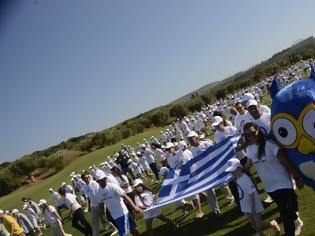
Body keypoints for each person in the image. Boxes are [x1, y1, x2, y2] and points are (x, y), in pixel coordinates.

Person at [243, 122, 304, 236]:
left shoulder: (270, 144)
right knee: (287, 210)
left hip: (283, 183)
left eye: (252, 133)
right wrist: (235, 171)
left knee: (284, 213)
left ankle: (289, 233)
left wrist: (297, 178)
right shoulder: (250, 149)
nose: (251, 136)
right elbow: (247, 167)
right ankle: (297, 221)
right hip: (269, 187)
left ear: (258, 130)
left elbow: (286, 162)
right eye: (248, 135)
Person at [225, 158, 281, 236]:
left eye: (233, 170)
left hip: (254, 206)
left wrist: (253, 208)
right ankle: (263, 232)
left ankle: (273, 224)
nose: (232, 172)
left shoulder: (245, 178)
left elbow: (252, 194)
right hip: (246, 206)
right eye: (230, 171)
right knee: (254, 226)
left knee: (258, 225)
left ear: (239, 168)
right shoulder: (237, 179)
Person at [95, 171, 143, 236]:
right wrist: (102, 216)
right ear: (98, 181)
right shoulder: (98, 192)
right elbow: (101, 204)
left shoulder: (113, 186)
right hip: (115, 216)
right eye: (101, 180)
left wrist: (134, 207)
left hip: (124, 212)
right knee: (130, 231)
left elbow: (125, 196)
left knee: (132, 230)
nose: (104, 180)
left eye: (104, 179)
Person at [187, 131, 221, 217]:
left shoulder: (206, 144)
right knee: (210, 193)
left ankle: (230, 197)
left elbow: (215, 151)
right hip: (205, 173)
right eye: (189, 140)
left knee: (223, 186)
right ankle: (215, 210)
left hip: (214, 169)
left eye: (191, 139)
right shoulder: (192, 149)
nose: (190, 141)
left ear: (196, 137)